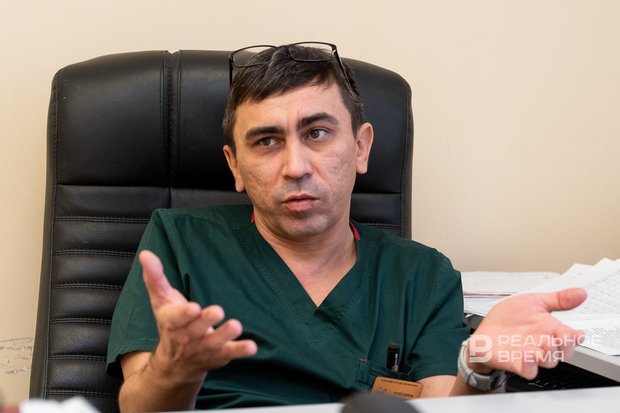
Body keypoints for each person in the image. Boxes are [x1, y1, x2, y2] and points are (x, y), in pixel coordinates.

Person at [106, 42, 586, 412]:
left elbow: (442, 403)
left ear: (361, 147)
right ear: (234, 165)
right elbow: (138, 407)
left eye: (317, 133)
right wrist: (177, 367)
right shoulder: (179, 241)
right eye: (267, 141)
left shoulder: (421, 275)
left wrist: (479, 367)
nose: (296, 166)